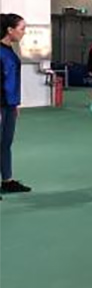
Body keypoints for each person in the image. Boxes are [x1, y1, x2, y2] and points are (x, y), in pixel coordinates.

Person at [1, 13, 31, 195]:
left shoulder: (10, 50)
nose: (24, 32)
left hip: (9, 105)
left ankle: (7, 181)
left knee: (5, 143)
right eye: (22, 29)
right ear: (10, 30)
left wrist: (14, 105)